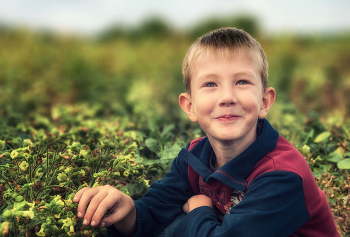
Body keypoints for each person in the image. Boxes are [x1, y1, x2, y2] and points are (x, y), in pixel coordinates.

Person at [73, 27, 340, 237]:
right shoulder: (194, 156)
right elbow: (154, 212)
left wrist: (200, 210)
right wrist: (128, 210)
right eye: (210, 84)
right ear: (190, 107)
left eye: (242, 81)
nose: (227, 97)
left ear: (264, 102)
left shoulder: (282, 175)